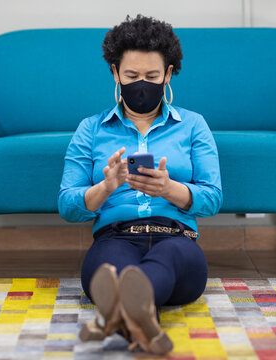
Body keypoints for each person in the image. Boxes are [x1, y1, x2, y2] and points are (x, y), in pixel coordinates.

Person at [58, 14, 222, 355]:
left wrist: (169, 189)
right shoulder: (90, 129)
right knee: (109, 268)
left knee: (170, 256)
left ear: (169, 74)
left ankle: (114, 315)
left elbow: (213, 198)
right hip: (115, 236)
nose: (141, 83)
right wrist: (106, 187)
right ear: (115, 73)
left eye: (152, 76)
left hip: (178, 239)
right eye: (132, 75)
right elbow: (67, 204)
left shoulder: (194, 126)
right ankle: (142, 321)